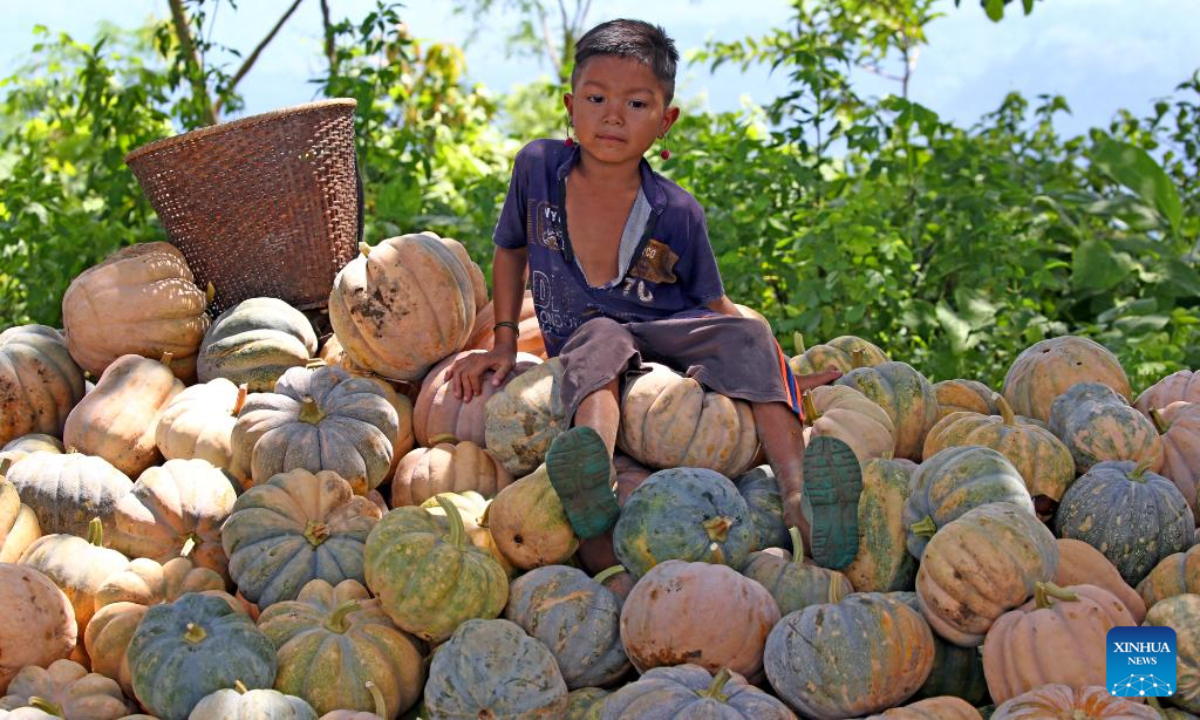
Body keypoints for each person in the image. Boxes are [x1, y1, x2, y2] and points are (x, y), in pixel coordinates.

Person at [446, 18, 863, 568]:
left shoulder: (676, 211)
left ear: (665, 122)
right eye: (596, 98)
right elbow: (510, 249)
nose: (613, 115)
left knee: (749, 334)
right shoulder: (538, 169)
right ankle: (594, 480)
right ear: (571, 106)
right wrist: (503, 341)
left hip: (667, 338)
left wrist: (780, 373)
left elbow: (714, 308)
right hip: (592, 341)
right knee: (600, 339)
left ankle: (797, 497)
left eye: (637, 105)